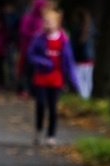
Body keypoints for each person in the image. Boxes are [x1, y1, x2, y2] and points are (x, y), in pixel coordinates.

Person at [27, 8, 80, 146]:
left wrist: (73, 81)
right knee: (40, 104)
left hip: (56, 78)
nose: (47, 25)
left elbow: (69, 61)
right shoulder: (38, 38)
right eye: (45, 22)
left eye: (50, 22)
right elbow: (31, 55)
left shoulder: (63, 40)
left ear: (57, 23)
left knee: (53, 107)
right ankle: (38, 131)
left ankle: (51, 136)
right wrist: (42, 62)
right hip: (41, 77)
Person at [69, 7, 97, 99]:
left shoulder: (78, 29)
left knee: (79, 78)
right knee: (87, 79)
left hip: (80, 58)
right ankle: (86, 97)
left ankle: (83, 97)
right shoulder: (91, 28)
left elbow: (75, 45)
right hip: (90, 58)